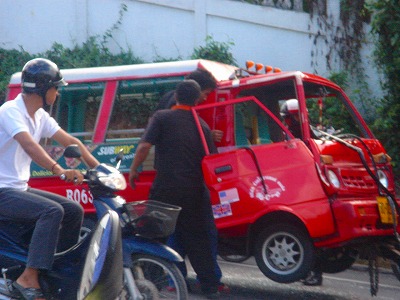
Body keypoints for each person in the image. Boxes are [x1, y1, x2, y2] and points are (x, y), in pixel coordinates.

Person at [0, 58, 100, 300]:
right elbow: (29, 146)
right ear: (44, 90)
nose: (58, 92)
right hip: (2, 191)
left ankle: (57, 269)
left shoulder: (40, 116)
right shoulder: (10, 112)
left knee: (74, 209)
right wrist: (59, 170)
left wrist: (99, 169)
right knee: (51, 212)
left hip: (18, 189)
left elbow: (71, 142)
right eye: (56, 87)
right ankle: (28, 277)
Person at [129, 80, 220, 298]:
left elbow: (143, 147)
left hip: (166, 188)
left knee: (152, 234)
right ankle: (209, 287)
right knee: (198, 240)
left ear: (176, 95)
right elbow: (211, 158)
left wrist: (134, 169)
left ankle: (147, 281)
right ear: (197, 99)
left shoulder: (161, 117)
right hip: (195, 191)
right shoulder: (202, 126)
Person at [153, 69, 228, 294]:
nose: (205, 99)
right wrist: (206, 135)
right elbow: (178, 136)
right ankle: (207, 281)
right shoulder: (177, 112)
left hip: (168, 182)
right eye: (204, 94)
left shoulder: (168, 105)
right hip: (188, 184)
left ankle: (176, 278)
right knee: (202, 234)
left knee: (177, 232)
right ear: (195, 92)